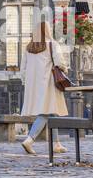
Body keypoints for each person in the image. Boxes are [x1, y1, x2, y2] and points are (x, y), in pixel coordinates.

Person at [18, 22, 68, 155]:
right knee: (45, 113)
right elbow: (60, 63)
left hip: (34, 85)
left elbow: (22, 69)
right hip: (48, 83)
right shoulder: (52, 44)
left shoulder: (28, 48)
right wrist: (65, 69)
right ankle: (29, 140)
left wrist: (27, 83)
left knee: (53, 111)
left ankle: (56, 143)